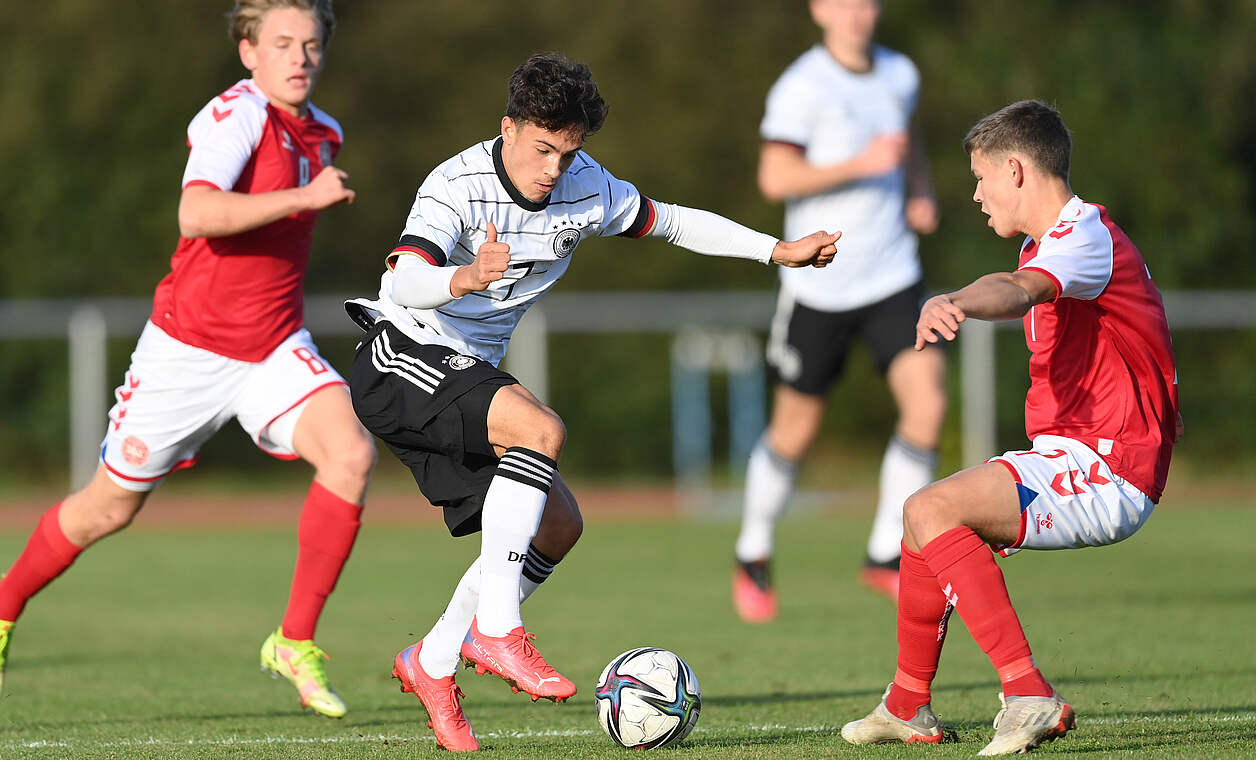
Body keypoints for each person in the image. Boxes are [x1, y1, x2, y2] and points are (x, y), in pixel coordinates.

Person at [343, 52, 841, 752]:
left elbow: (671, 222)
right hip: (399, 355)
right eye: (542, 148)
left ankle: (430, 662)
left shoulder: (586, 186)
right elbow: (406, 281)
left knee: (557, 524)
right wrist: (462, 278)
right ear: (508, 128)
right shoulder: (454, 186)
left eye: (568, 151)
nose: (553, 168)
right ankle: (497, 629)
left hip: (461, 372)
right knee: (540, 430)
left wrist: (775, 250)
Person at [0, 0, 376, 719]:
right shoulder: (237, 116)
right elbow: (197, 214)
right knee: (106, 511)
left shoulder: (324, 133)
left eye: (311, 44)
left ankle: (294, 640)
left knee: (351, 454)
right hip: (186, 354)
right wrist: (303, 196)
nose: (300, 58)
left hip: (275, 345)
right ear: (249, 52)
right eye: (282, 43)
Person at [840, 100, 1180, 755]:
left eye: (981, 177)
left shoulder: (1082, 237)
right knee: (920, 520)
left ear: (1017, 170)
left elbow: (1018, 288)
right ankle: (908, 704)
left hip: (1110, 466)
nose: (975, 193)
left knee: (934, 507)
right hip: (1077, 457)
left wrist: (956, 301)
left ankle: (1028, 693)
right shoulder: (1054, 242)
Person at [731, 0, 945, 622]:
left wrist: (921, 190)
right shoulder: (802, 86)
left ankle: (884, 555)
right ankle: (753, 550)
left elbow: (909, 142)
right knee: (795, 430)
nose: (856, 13)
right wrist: (861, 165)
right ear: (819, 9)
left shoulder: (900, 73)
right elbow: (775, 177)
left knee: (927, 404)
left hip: (893, 277)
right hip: (818, 283)